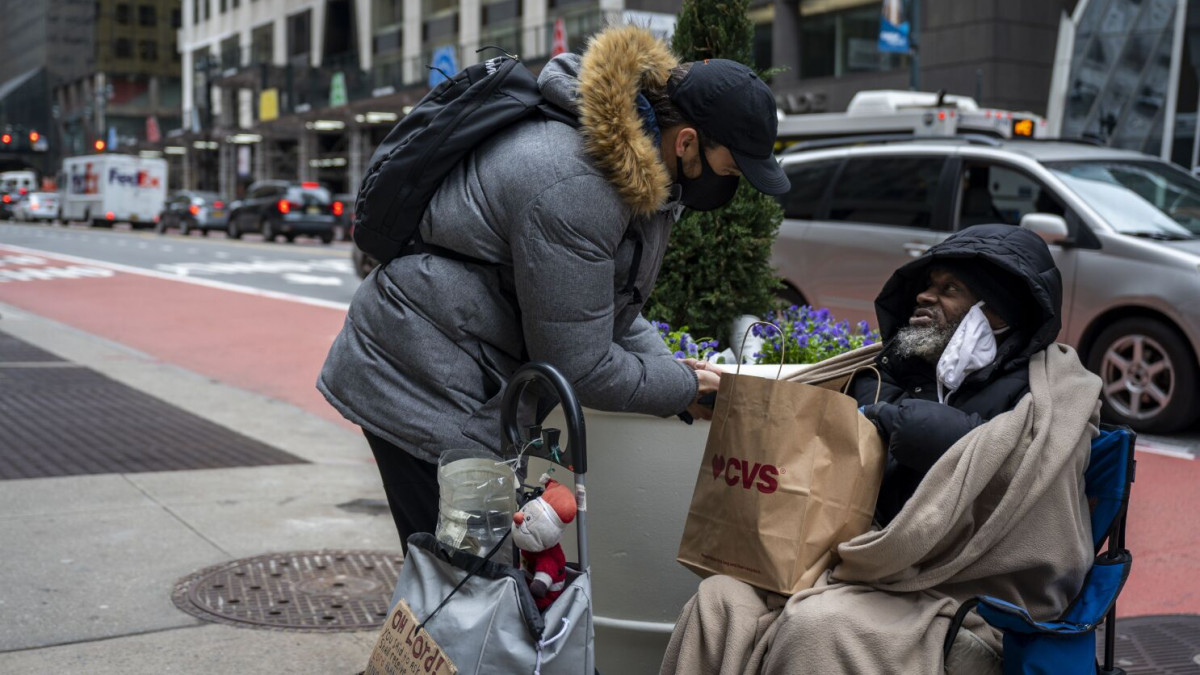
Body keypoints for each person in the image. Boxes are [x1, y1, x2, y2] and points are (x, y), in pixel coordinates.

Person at [318, 25, 789, 548]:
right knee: (463, 584)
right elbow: (578, 364)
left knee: (479, 582)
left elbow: (608, 312)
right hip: (416, 378)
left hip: (458, 365)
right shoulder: (579, 186)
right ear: (687, 141)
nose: (733, 182)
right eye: (733, 167)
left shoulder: (638, 170)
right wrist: (683, 388)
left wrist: (681, 375)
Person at [662, 224, 1102, 674]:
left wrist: (912, 426)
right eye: (927, 286)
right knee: (720, 601)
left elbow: (1019, 471)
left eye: (950, 289)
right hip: (855, 564)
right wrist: (729, 397)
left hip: (956, 590)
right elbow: (810, 418)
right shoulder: (893, 373)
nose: (925, 297)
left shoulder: (1047, 396)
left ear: (998, 313)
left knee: (820, 625)